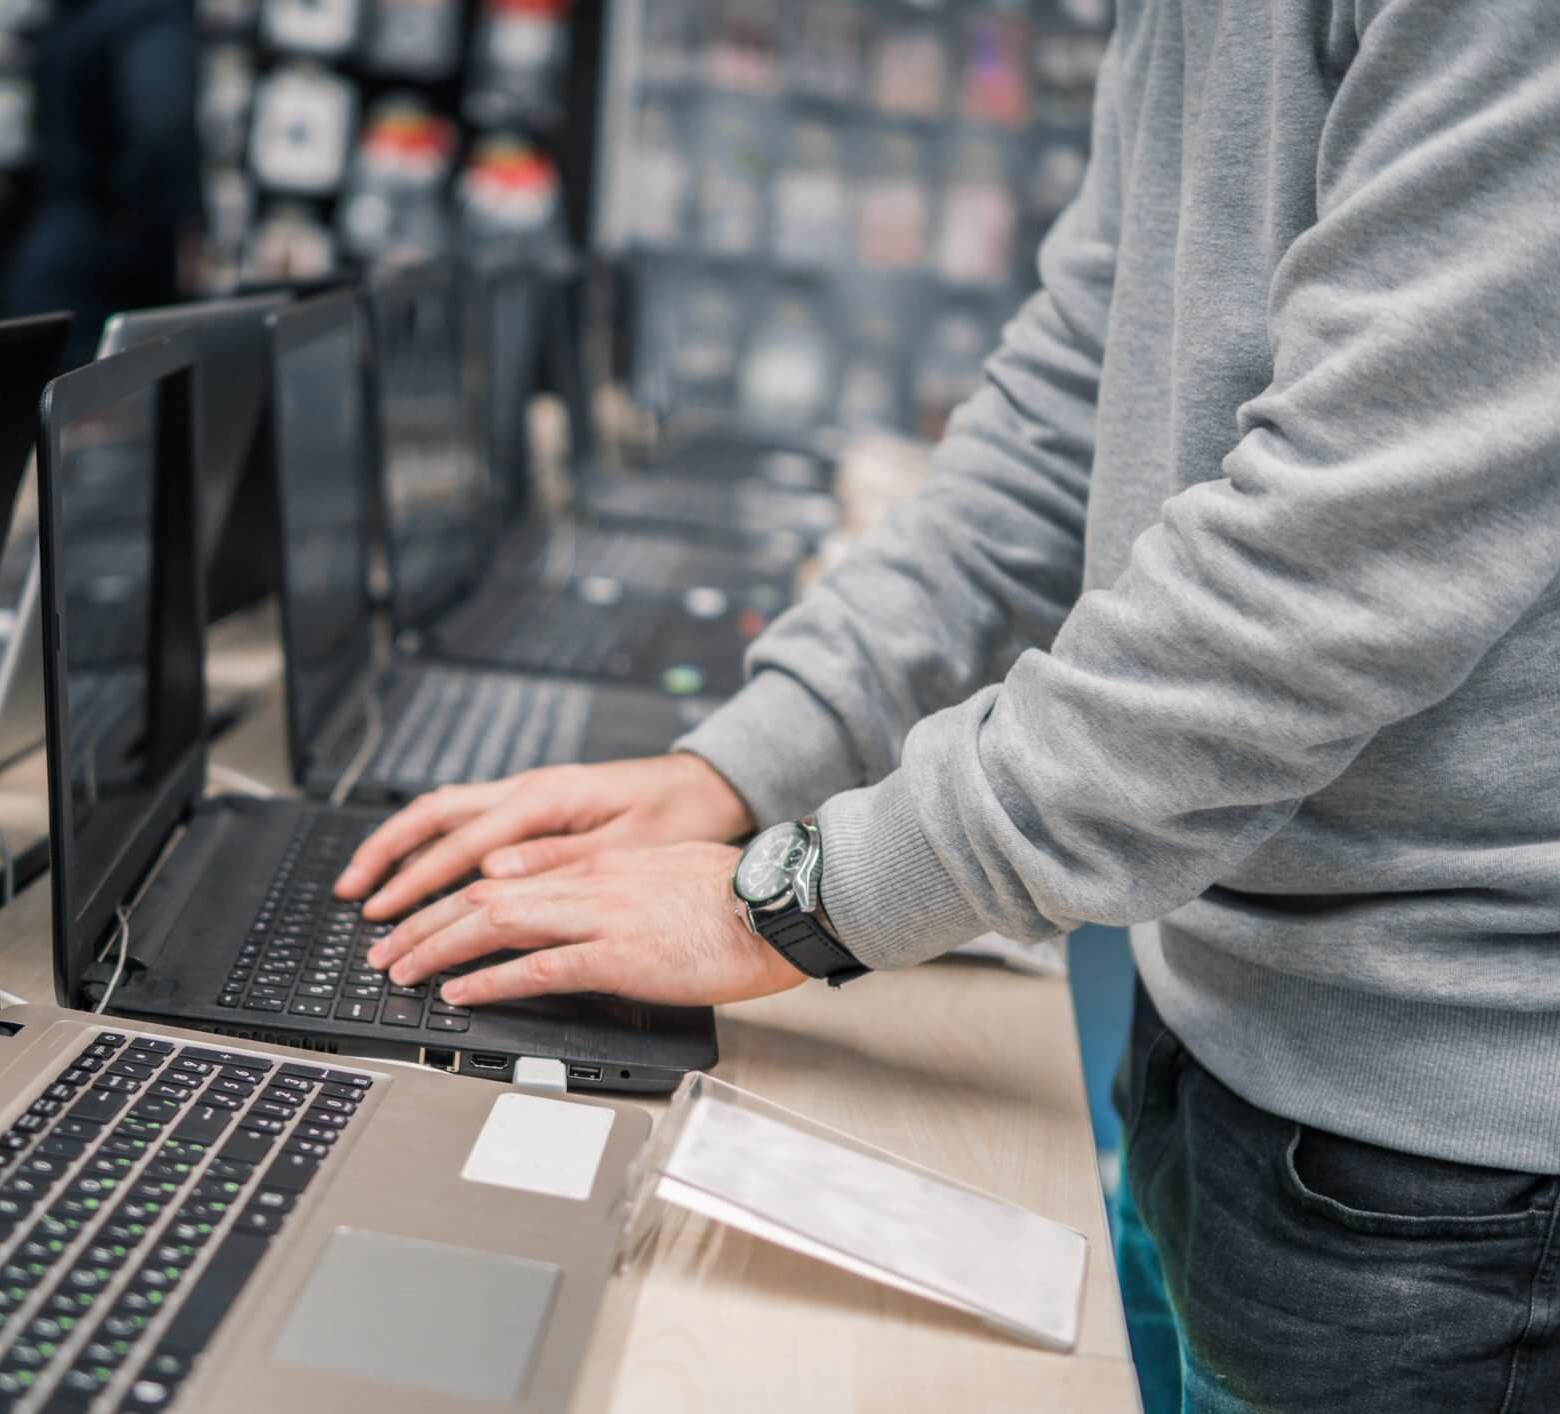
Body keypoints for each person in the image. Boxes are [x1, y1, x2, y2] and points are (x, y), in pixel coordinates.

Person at [334, 3, 1560, 1410]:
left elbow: (1335, 569)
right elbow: (1066, 421)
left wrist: (790, 897)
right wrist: (742, 765)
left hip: (1448, 1179)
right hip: (1213, 1032)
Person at [6, 0, 197, 370]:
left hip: (58, 240)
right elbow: (160, 131)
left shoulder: (81, 13)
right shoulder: (149, 12)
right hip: (106, 251)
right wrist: (167, 226)